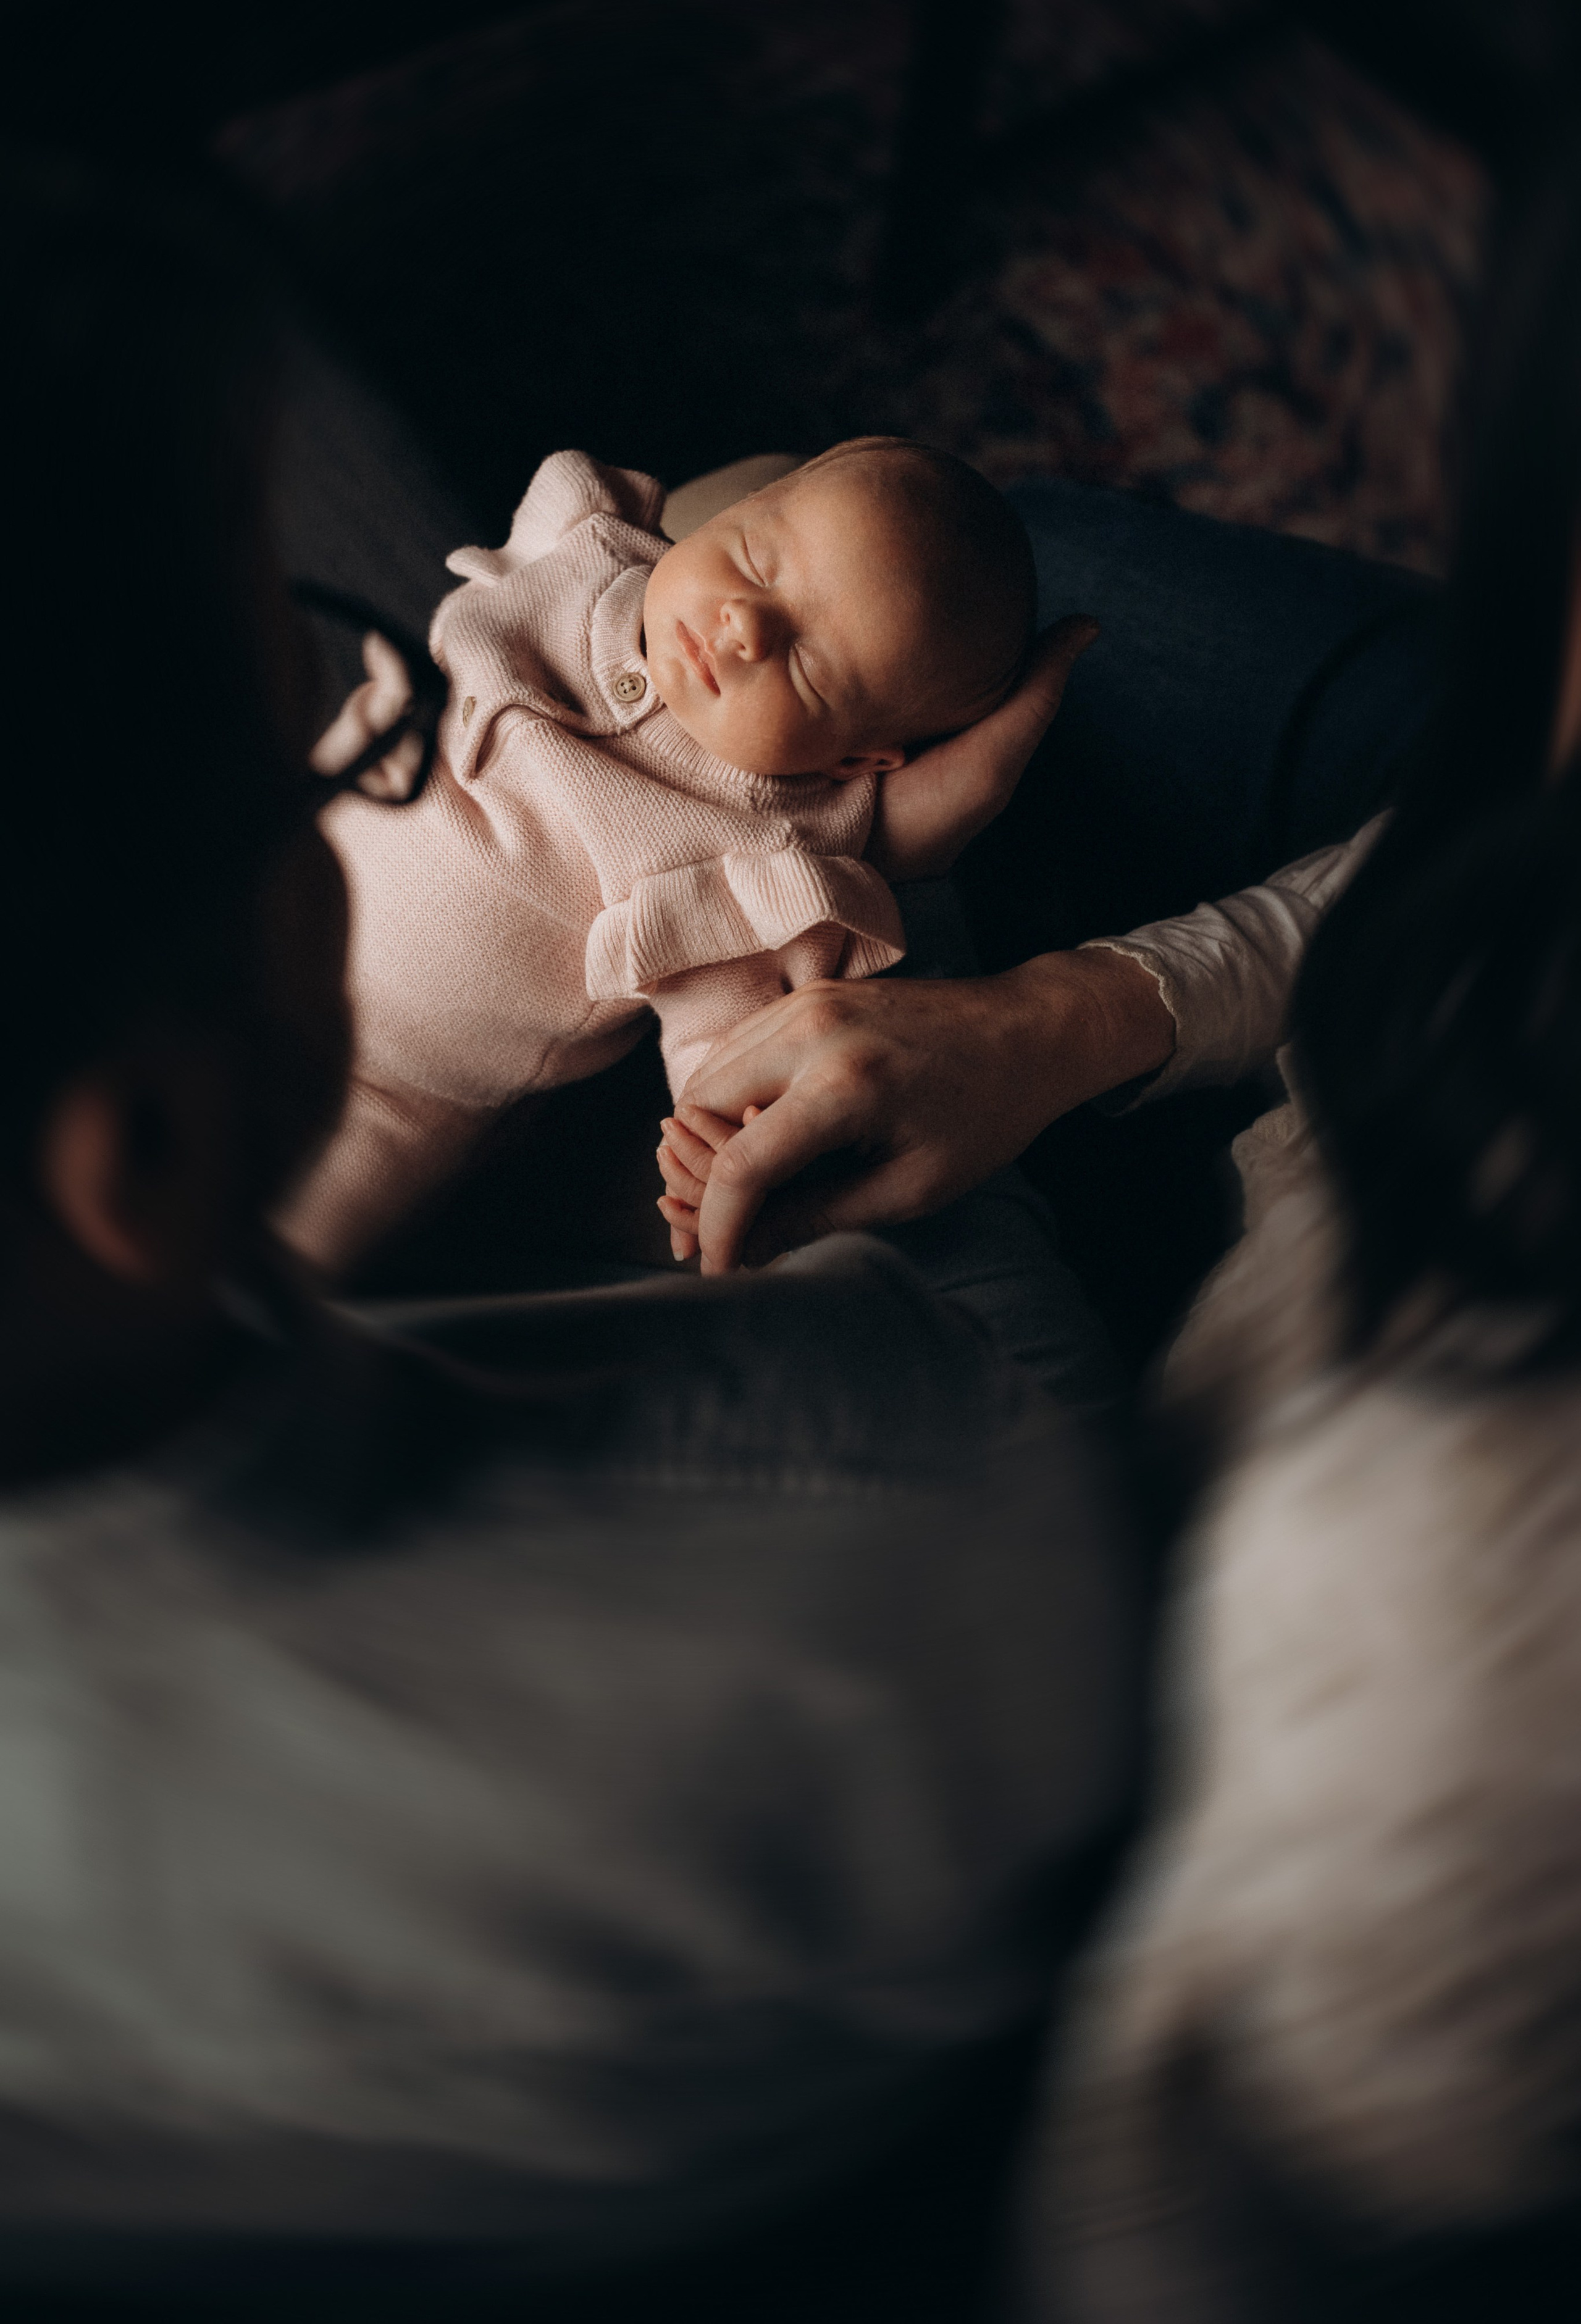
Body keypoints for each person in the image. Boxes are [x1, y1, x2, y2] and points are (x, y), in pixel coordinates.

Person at [0, 156, 1140, 2320]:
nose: (367, 724)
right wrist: (902, 914)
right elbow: (891, 1224)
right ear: (137, 1145)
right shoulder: (896, 1555)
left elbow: (738, 1042)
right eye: (305, 742)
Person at [660, 144, 1581, 2320]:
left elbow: (1150, 2215)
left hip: (1168, 1572)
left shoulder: (1452, 1624)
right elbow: (1498, 856)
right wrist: (1062, 1023)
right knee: (922, 555)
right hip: (1315, 1124)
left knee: (821, 686)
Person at [283, 435, 1094, 1269]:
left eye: (811, 666)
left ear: (855, 761)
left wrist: (720, 1139)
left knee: (264, 1259)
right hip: (264, 876)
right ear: (733, 515)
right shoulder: (591, 553)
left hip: (388, 1087)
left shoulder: (756, 860)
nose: (745, 626)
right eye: (752, 558)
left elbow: (729, 1042)